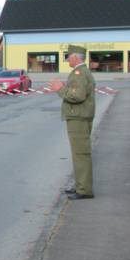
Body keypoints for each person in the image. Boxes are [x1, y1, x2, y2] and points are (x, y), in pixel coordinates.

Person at [48, 45, 96, 200]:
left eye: (69, 56)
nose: (68, 59)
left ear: (75, 57)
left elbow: (77, 96)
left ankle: (84, 189)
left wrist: (59, 89)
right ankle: (80, 185)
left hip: (79, 117)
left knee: (80, 154)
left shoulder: (79, 73)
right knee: (79, 153)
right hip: (80, 116)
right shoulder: (81, 72)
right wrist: (64, 87)